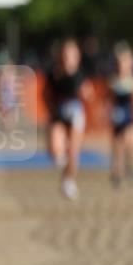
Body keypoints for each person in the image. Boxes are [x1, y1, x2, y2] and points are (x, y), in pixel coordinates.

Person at [43, 38, 92, 200]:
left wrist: (87, 94)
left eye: (71, 56)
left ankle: (68, 180)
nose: (67, 59)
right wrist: (51, 109)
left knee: (73, 151)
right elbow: (46, 94)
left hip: (76, 114)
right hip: (58, 114)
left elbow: (88, 93)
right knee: (56, 152)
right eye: (65, 55)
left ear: (77, 57)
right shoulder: (54, 74)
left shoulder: (80, 75)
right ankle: (63, 161)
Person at [107, 42, 133, 187]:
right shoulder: (113, 81)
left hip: (130, 116)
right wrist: (108, 112)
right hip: (117, 116)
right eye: (120, 63)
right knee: (117, 144)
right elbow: (109, 99)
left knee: (131, 141)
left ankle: (130, 166)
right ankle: (116, 172)